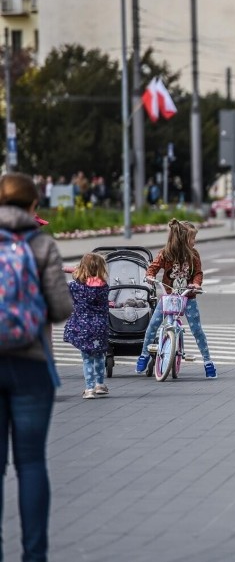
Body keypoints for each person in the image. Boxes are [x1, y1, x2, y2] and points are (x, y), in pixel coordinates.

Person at [0, 172, 73, 562]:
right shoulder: (42, 243)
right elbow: (62, 308)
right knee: (30, 463)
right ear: (33, 207)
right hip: (31, 364)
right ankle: (34, 556)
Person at [136, 219, 216, 378]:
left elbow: (198, 272)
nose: (195, 241)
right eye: (193, 238)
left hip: (188, 296)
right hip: (169, 296)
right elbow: (153, 267)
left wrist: (196, 284)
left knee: (197, 330)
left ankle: (208, 362)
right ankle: (144, 354)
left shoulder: (194, 255)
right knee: (153, 325)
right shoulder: (165, 253)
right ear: (183, 239)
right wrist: (150, 276)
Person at [63, 253, 110, 398]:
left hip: (83, 327)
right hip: (100, 327)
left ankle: (89, 389)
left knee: (87, 358)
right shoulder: (104, 287)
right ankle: (100, 384)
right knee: (100, 355)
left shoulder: (75, 287)